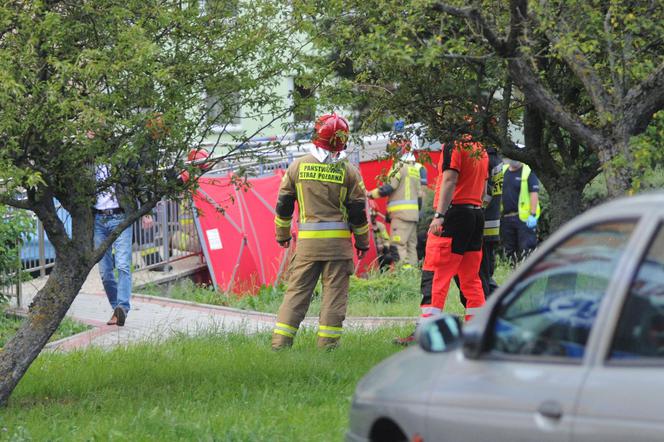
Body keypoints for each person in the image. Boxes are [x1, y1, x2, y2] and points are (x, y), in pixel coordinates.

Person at [271, 113, 370, 350]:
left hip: (307, 247)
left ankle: (280, 345)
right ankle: (327, 348)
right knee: (334, 298)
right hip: (338, 248)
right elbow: (358, 213)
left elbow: (283, 206)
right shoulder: (349, 171)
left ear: (316, 135)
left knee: (296, 294)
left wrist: (282, 235)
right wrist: (363, 242)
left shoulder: (297, 166)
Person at [395, 137, 488, 344]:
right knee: (471, 280)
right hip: (475, 214)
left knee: (435, 273)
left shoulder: (454, 144)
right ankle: (478, 331)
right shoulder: (479, 147)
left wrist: (439, 215)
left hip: (454, 215)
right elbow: (484, 188)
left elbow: (449, 179)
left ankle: (425, 333)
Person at [94, 162, 153, 327]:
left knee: (122, 264)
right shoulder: (89, 160)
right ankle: (116, 309)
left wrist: (146, 211)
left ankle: (122, 307)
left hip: (121, 216)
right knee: (105, 270)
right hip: (98, 219)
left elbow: (140, 183)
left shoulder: (122, 156)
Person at [367, 140, 424, 268]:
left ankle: (404, 275)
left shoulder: (398, 166)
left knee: (397, 246)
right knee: (411, 247)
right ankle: (413, 276)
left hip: (401, 216)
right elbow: (420, 196)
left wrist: (370, 194)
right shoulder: (414, 169)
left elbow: (389, 187)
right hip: (413, 216)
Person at [500, 155, 541, 265]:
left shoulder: (527, 172)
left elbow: (534, 194)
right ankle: (512, 274)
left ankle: (526, 274)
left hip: (524, 218)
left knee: (526, 249)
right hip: (507, 217)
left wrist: (532, 215)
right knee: (509, 250)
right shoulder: (503, 172)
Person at [369, 201, 394, 271]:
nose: (372, 218)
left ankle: (383, 274)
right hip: (367, 254)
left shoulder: (380, 226)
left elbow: (386, 239)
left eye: (373, 216)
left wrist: (384, 246)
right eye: (370, 216)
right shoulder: (362, 227)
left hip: (379, 253)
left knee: (388, 257)